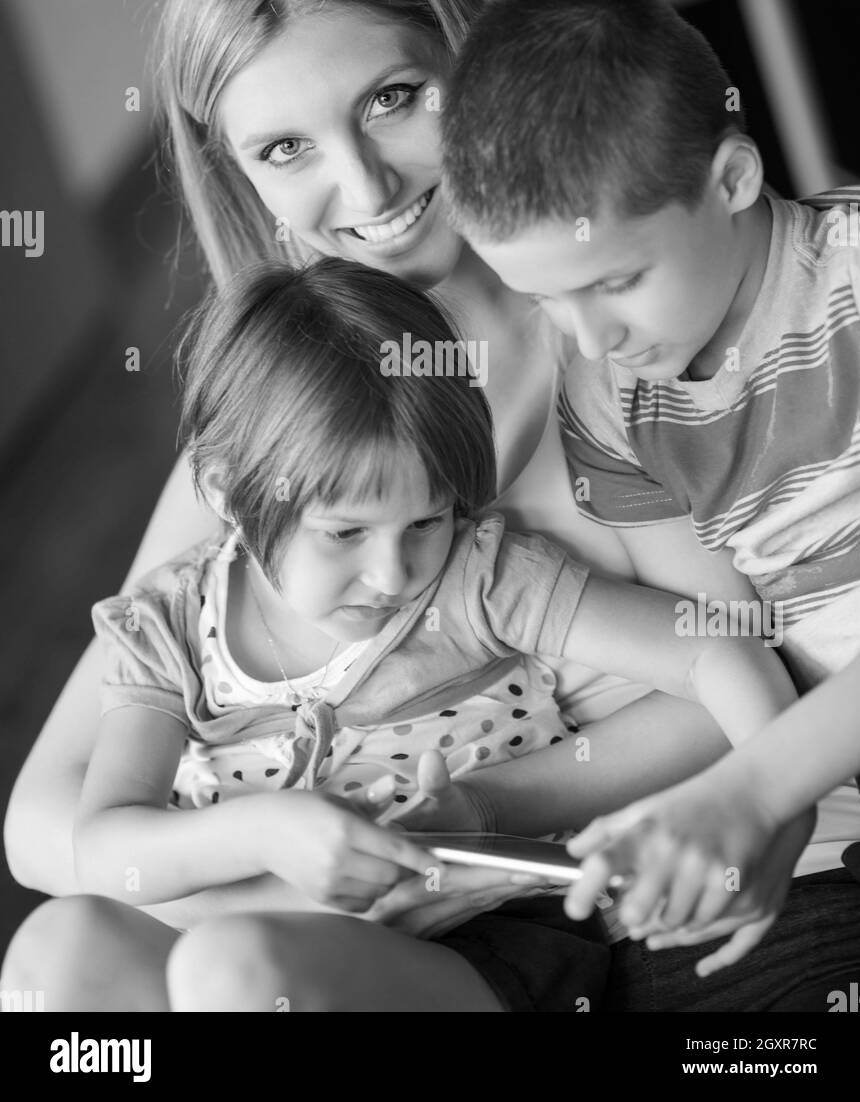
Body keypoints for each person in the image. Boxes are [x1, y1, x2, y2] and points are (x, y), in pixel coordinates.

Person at [4, 0, 747, 961]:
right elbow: (39, 822)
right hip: (285, 914)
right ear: (240, 172)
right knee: (61, 962)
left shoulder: (619, 325)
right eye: (285, 148)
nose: (366, 189)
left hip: (525, 918)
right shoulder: (286, 410)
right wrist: (272, 877)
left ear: (468, 46)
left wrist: (479, 815)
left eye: (393, 99)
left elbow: (738, 668)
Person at [42, 257, 794, 1011]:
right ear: (224, 493)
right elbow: (105, 849)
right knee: (60, 949)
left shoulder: (478, 578)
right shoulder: (167, 623)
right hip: (246, 953)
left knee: (232, 967)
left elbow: (714, 653)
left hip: (487, 949)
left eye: (426, 521)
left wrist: (773, 811)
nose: (393, 575)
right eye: (343, 534)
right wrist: (264, 832)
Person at [440, 0, 860, 1001]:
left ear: (729, 179)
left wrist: (758, 790)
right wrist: (771, 804)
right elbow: (731, 637)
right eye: (545, 297)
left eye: (617, 280)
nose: (595, 339)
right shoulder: (610, 397)